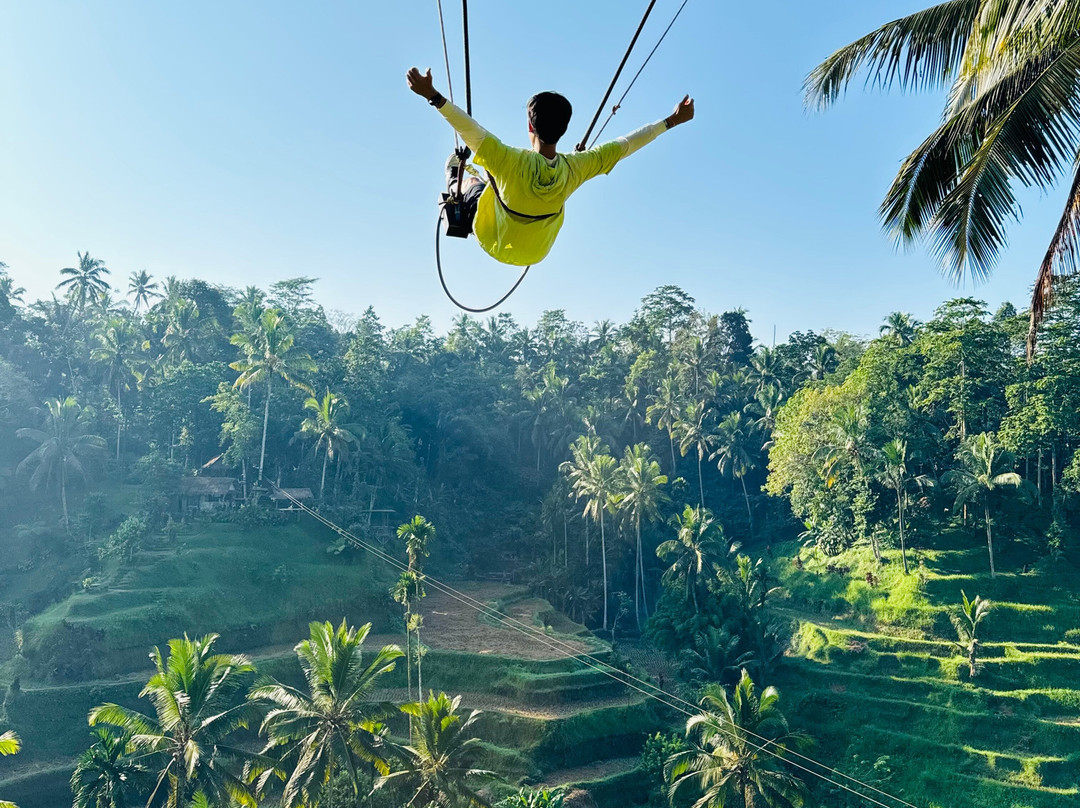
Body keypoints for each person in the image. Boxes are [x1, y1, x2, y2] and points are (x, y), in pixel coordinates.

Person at [406, 66, 694, 267]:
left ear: (530, 125)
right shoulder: (576, 167)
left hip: (492, 239)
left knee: (463, 169)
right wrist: (671, 120)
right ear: (564, 129)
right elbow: (627, 144)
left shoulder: (509, 159)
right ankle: (482, 180)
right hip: (534, 252)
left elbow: (469, 129)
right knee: (490, 174)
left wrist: (432, 95)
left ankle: (462, 177)